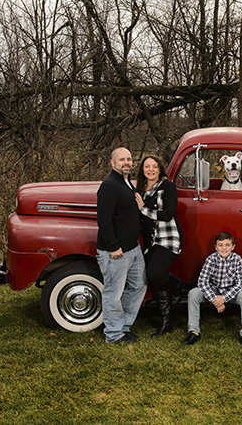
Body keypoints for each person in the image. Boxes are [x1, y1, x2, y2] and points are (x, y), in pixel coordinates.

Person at [96, 147, 147, 344]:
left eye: (129, 159)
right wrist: (113, 246)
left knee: (138, 285)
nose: (126, 162)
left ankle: (122, 326)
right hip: (116, 251)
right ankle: (113, 334)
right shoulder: (109, 186)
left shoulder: (126, 182)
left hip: (133, 249)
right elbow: (104, 219)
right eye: (122, 160)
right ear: (112, 162)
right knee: (113, 293)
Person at [135, 155, 184, 338]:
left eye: (154, 167)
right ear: (142, 170)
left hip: (169, 238)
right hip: (151, 242)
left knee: (153, 274)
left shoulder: (167, 187)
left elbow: (167, 214)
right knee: (156, 280)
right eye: (147, 167)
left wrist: (143, 209)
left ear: (160, 169)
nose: (151, 170)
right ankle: (166, 323)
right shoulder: (141, 189)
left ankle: (178, 285)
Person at [181, 231, 242, 349]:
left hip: (231, 293)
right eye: (220, 245)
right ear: (215, 247)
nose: (224, 248)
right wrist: (215, 299)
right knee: (193, 293)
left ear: (233, 247)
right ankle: (194, 332)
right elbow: (202, 282)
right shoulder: (211, 259)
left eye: (227, 245)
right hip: (213, 292)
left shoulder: (237, 259)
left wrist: (224, 298)